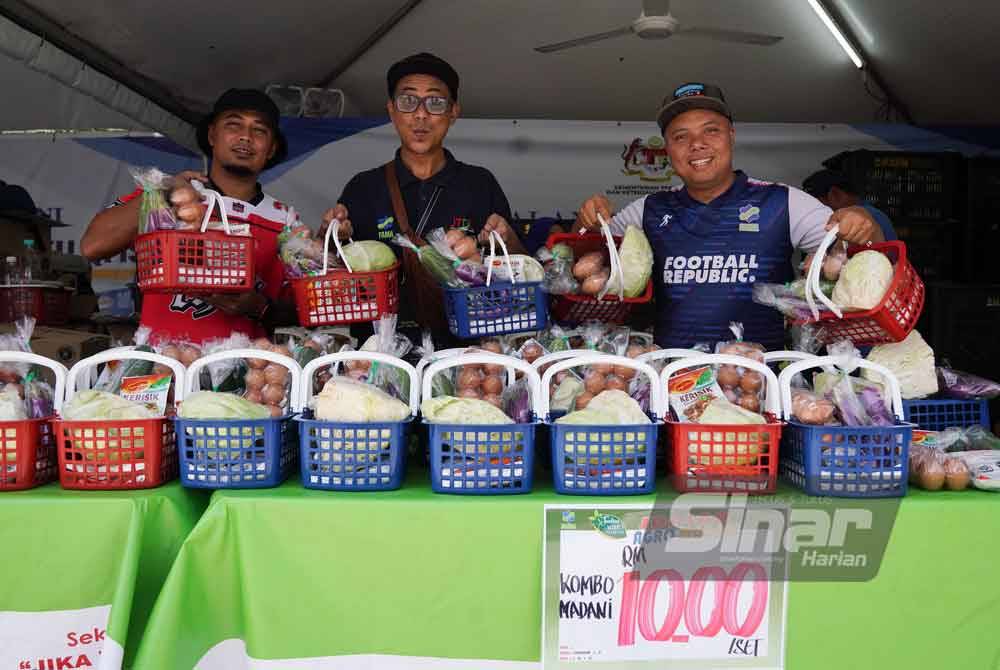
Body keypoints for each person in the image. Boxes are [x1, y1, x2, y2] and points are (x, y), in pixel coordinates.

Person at [575, 83, 884, 350]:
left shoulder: (782, 202)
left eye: (711, 131)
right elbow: (582, 262)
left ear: (731, 136)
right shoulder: (649, 209)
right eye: (681, 137)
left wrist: (860, 222)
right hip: (673, 382)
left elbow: (867, 259)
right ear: (668, 149)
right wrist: (586, 220)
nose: (697, 144)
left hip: (760, 383)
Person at [321, 52, 522, 338]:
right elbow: (330, 279)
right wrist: (331, 236)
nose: (420, 114)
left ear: (454, 112)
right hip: (379, 352)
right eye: (408, 101)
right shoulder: (364, 187)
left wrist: (508, 239)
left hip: (465, 354)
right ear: (391, 110)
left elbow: (517, 275)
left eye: (435, 102)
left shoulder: (479, 184)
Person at [81, 89, 298, 343]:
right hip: (164, 370)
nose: (245, 137)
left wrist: (260, 306)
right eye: (233, 125)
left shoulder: (285, 221)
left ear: (271, 148)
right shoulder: (169, 195)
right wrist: (164, 194)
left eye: (259, 130)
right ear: (212, 135)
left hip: (247, 371)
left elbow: (306, 310)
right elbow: (92, 246)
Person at [802, 169, 897, 241]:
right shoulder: (872, 214)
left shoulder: (865, 218)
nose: (815, 214)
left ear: (836, 194)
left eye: (818, 205)